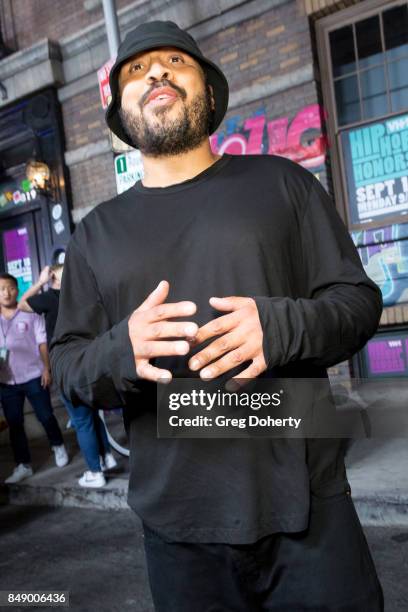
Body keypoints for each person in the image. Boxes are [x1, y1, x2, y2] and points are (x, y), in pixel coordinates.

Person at [50, 21, 384, 611]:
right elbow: (70, 368)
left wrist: (280, 328)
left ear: (207, 88)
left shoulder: (282, 183)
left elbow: (358, 304)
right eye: (135, 70)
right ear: (121, 114)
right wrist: (121, 349)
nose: (155, 73)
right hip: (180, 531)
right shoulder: (94, 235)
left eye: (175, 62)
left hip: (309, 507)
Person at [18, 265, 117, 488]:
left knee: (82, 420)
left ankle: (95, 472)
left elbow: (21, 304)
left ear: (52, 275)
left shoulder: (49, 298)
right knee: (93, 414)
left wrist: (40, 282)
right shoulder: (84, 296)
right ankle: (107, 458)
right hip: (90, 360)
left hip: (67, 366)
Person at [0, 273, 68, 484]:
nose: (6, 293)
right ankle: (23, 465)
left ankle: (58, 445)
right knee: (15, 423)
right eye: (1, 289)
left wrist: (47, 369)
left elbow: (42, 343)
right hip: (6, 381)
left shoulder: (30, 312)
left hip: (33, 376)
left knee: (46, 415)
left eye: (10, 288)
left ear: (17, 290)